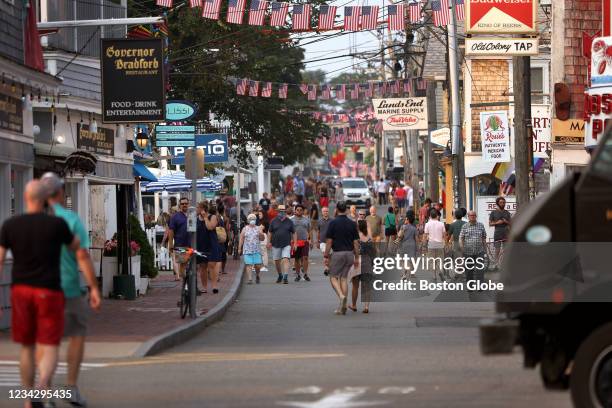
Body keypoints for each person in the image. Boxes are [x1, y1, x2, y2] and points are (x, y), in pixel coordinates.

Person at [0, 180, 79, 407]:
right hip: (49, 290)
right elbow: (74, 246)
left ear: (25, 198)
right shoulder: (57, 225)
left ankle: (27, 398)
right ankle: (42, 385)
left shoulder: (10, 225)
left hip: (21, 290)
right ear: (45, 199)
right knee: (50, 344)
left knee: (27, 346)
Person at [41, 173, 101, 407]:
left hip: (36, 289)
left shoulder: (30, 220)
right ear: (59, 193)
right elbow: (82, 256)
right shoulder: (70, 220)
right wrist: (93, 287)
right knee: (76, 335)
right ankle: (70, 388)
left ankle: (44, 390)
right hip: (67, 288)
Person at [323, 201, 360, 315]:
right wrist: (357, 257)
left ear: (337, 210)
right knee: (343, 278)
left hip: (338, 253)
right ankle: (342, 306)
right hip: (349, 254)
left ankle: (341, 296)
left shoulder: (333, 223)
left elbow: (329, 241)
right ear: (347, 210)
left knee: (333, 277)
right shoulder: (352, 223)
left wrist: (326, 255)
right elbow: (356, 242)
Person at [348, 220, 375, 313]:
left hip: (357, 262)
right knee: (366, 285)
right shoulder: (370, 238)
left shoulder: (356, 237)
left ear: (358, 227)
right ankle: (366, 306)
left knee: (355, 286)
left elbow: (352, 249)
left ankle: (354, 305)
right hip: (367, 262)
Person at [197, 203, 223, 294]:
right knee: (202, 266)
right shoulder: (196, 219)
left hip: (211, 244)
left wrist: (205, 218)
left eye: (198, 208)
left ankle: (214, 285)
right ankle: (204, 287)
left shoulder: (213, 217)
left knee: (211, 265)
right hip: (201, 245)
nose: (197, 209)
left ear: (203, 209)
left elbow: (210, 228)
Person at [268, 205, 296, 284]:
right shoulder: (273, 221)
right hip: (275, 243)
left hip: (286, 243)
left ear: (285, 211)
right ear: (277, 212)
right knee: (277, 261)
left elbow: (294, 233)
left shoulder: (289, 221)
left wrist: (295, 243)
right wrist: (268, 242)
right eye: (280, 211)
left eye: (283, 211)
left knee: (285, 259)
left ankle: (285, 277)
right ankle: (280, 275)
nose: (282, 212)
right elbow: (269, 232)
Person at [460, 211, 487, 288]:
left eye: (474, 215)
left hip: (479, 251)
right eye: (471, 215)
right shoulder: (464, 226)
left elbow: (484, 237)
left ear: (476, 216)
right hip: (468, 252)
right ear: (468, 216)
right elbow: (461, 238)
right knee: (469, 270)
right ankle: (470, 286)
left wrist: (485, 251)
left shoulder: (481, 225)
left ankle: (480, 286)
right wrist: (462, 248)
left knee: (480, 270)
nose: (472, 216)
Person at [168, 197, 191, 281]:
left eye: (186, 203)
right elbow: (171, 231)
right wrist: (170, 243)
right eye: (182, 204)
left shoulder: (192, 215)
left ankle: (186, 281)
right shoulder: (175, 217)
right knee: (182, 263)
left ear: (188, 204)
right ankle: (184, 282)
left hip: (191, 243)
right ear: (179, 205)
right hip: (180, 244)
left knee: (188, 264)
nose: (184, 205)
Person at [239, 214, 266, 284]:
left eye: (253, 219)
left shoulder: (258, 228)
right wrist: (239, 248)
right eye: (251, 219)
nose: (252, 220)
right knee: (249, 264)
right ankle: (250, 279)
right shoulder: (245, 229)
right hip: (247, 250)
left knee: (257, 265)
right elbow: (241, 239)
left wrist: (261, 234)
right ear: (248, 220)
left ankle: (257, 275)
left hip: (256, 250)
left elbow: (262, 239)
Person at [424, 209, 447, 282]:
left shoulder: (427, 224)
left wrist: (424, 245)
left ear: (430, 216)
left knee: (432, 261)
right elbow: (444, 235)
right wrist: (446, 244)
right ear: (437, 216)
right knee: (440, 260)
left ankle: (434, 276)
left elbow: (425, 236)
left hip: (431, 244)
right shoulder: (441, 224)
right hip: (440, 244)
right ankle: (440, 272)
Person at [291, 204, 312, 282]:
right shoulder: (291, 220)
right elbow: (290, 231)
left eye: (301, 210)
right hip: (295, 242)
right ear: (295, 211)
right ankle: (298, 274)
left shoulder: (306, 219)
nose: (299, 211)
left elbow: (310, 230)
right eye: (297, 210)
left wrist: (310, 240)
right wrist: (291, 241)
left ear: (303, 211)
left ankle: (305, 274)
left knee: (305, 257)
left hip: (304, 241)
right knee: (297, 259)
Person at [398, 210, 418, 280]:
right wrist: (417, 247)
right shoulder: (414, 227)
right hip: (412, 245)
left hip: (404, 245)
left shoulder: (402, 226)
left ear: (407, 218)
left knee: (403, 260)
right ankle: (411, 273)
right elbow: (416, 238)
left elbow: (399, 235)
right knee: (411, 260)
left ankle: (404, 274)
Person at [317, 206, 333, 276]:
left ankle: (329, 268)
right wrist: (318, 241)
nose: (325, 212)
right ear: (322, 213)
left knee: (329, 256)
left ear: (328, 212)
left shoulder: (332, 221)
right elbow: (318, 231)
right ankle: (326, 268)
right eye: (324, 211)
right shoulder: (319, 221)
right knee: (325, 255)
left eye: (326, 211)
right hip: (322, 241)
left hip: (331, 241)